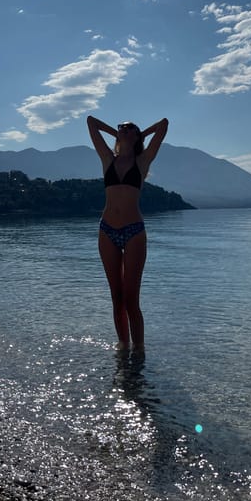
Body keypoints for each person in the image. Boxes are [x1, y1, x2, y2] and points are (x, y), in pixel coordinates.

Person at [87, 115, 169, 351]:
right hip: (107, 230)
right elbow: (91, 121)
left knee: (132, 299)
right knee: (117, 297)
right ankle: (123, 348)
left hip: (134, 231)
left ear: (136, 135)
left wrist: (140, 135)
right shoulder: (107, 160)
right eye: (120, 127)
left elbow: (163, 125)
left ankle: (139, 350)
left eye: (129, 128)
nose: (123, 129)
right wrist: (118, 134)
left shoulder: (143, 161)